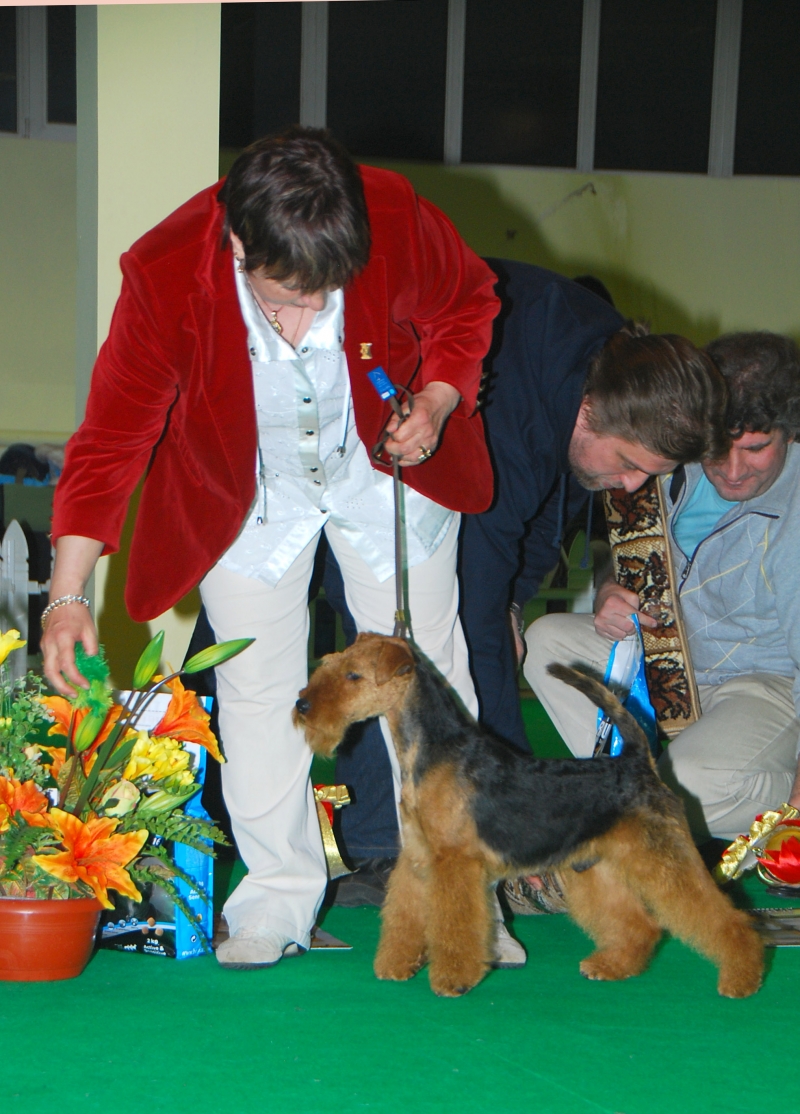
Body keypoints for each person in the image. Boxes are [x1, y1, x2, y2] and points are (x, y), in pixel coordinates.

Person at [42, 127, 500, 969]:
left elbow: (467, 303)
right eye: (286, 295)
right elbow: (112, 436)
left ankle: (460, 900)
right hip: (246, 494)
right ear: (237, 242)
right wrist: (69, 594)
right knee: (258, 694)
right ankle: (275, 901)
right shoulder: (164, 272)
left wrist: (436, 398)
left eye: (326, 294)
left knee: (429, 679)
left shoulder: (392, 213)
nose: (308, 317)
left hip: (383, 470)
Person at [525, 331, 800, 844]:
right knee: (546, 643)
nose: (733, 471)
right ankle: (636, 798)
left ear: (790, 433)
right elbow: (629, 560)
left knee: (683, 786)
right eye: (720, 449)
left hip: (767, 685)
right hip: (668, 666)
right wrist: (610, 591)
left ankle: (660, 805)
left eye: (758, 448)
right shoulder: (673, 464)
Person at [460, 259, 728, 752]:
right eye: (629, 463)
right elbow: (480, 573)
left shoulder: (593, 385)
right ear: (590, 407)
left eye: (649, 473)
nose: (629, 487)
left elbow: (546, 513)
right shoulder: (512, 400)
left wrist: (514, 607)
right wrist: (506, 770)